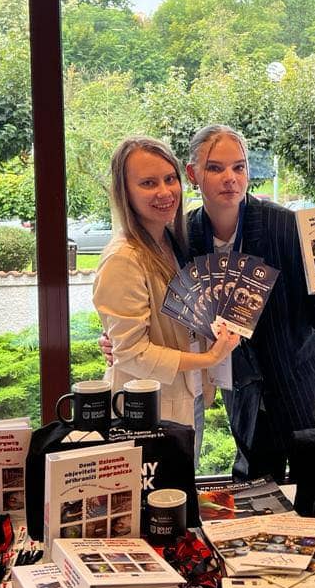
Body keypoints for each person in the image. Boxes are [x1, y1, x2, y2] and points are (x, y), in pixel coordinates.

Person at [182, 124, 315, 481]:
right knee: (255, 485)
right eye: (215, 168)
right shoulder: (186, 236)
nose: (230, 178)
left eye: (238, 167)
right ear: (193, 174)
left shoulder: (285, 226)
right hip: (242, 384)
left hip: (304, 375)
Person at [93, 136, 239, 460]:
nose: (165, 192)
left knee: (183, 486)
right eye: (148, 183)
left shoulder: (171, 241)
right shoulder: (123, 258)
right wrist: (209, 358)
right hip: (148, 413)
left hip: (187, 398)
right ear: (125, 192)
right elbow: (132, 352)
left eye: (170, 179)